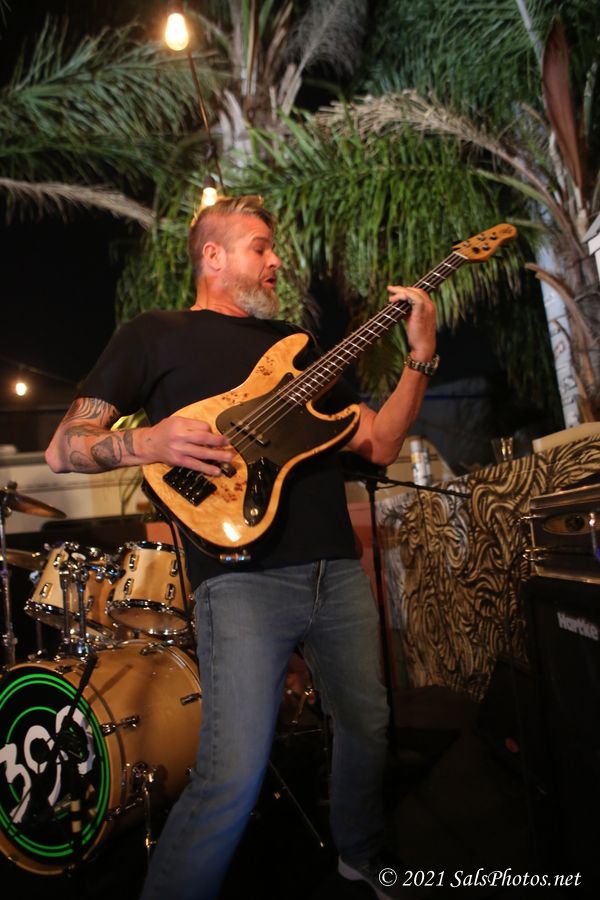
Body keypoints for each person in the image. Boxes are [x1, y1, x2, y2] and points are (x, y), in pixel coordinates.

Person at [45, 194, 437, 900]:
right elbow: (63, 447)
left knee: (367, 727)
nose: (276, 260)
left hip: (336, 571)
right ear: (213, 256)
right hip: (241, 580)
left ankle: (361, 854)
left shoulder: (297, 347)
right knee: (231, 774)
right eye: (261, 247)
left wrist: (421, 357)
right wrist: (148, 441)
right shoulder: (154, 334)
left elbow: (379, 442)